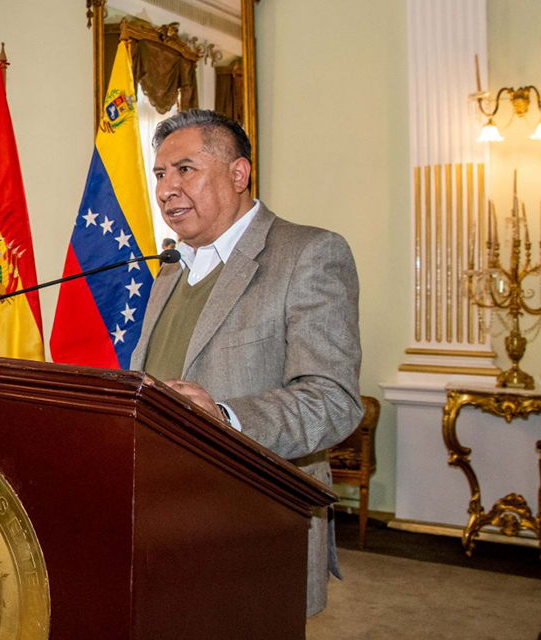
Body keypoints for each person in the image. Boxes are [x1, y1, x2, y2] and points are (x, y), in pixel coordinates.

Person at [130, 109, 362, 616]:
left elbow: (333, 400)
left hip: (255, 524)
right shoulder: (171, 267)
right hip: (160, 521)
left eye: (184, 169)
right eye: (160, 174)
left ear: (238, 174)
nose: (167, 189)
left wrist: (227, 420)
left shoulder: (309, 253)